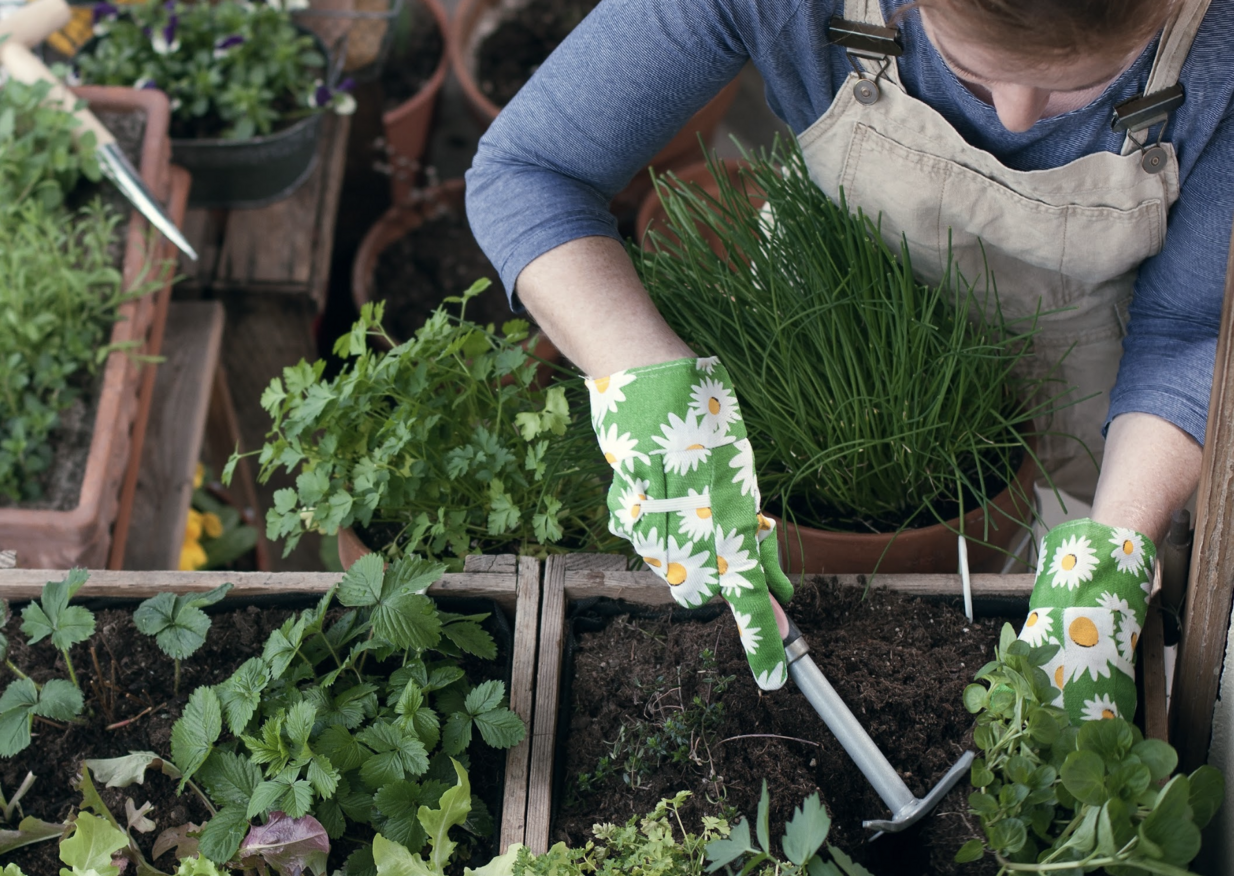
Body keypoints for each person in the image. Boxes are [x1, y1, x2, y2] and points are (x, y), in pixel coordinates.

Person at [467, 0, 1232, 724]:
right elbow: (531, 168)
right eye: (967, 68)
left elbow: (1191, 325)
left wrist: (1116, 543)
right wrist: (644, 377)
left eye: (1083, 85)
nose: (1013, 114)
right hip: (837, 332)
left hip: (1099, 376)